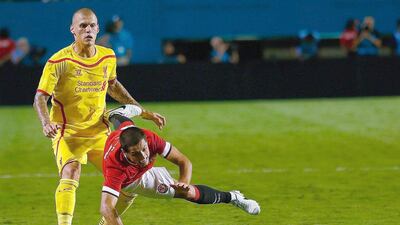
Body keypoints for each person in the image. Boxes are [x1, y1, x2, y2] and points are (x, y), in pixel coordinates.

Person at [32, 8, 165, 225]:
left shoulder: (107, 56)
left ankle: (106, 222)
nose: (88, 30)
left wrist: (143, 111)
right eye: (83, 25)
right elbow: (40, 97)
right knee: (71, 170)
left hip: (100, 132)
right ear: (73, 30)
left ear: (98, 29)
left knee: (131, 180)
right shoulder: (58, 62)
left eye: (92, 25)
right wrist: (46, 123)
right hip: (68, 133)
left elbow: (113, 86)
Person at [98, 105, 261, 225]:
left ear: (146, 141)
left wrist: (184, 181)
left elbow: (183, 161)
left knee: (188, 193)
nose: (143, 157)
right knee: (109, 217)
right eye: (135, 154)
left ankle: (233, 197)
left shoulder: (148, 138)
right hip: (133, 181)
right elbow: (106, 207)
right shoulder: (116, 168)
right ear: (124, 152)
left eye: (144, 150)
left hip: (135, 156)